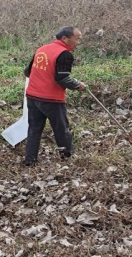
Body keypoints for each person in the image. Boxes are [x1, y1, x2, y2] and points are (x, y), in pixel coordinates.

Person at [22, 27, 87, 167]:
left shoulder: (41, 49)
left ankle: (30, 161)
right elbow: (62, 78)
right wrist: (78, 85)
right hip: (51, 99)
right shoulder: (64, 54)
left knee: (34, 129)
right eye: (77, 38)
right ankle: (67, 160)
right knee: (61, 129)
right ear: (65, 38)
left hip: (32, 97)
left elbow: (27, 72)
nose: (78, 42)